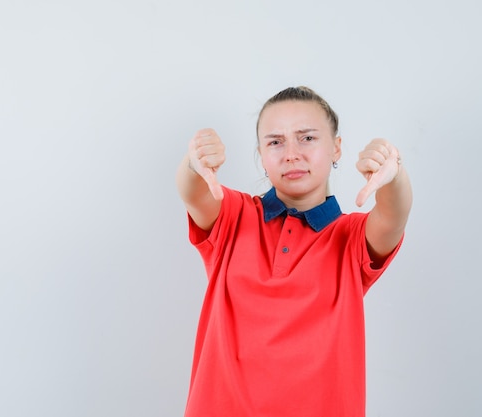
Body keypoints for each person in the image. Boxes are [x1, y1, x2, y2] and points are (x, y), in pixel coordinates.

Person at [175, 86, 413, 417]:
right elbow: (194, 193)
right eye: (275, 141)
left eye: (307, 138)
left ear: (336, 148)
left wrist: (394, 176)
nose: (291, 153)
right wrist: (193, 163)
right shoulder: (234, 216)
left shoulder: (351, 237)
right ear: (260, 151)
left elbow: (392, 217)